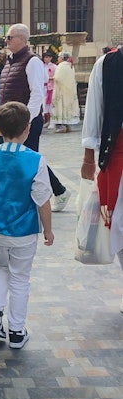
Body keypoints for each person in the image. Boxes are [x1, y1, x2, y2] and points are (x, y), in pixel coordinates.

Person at [0, 101, 54, 349]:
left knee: (2, 267)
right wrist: (48, 230)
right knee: (20, 278)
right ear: (27, 129)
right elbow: (42, 200)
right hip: (23, 232)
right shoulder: (35, 160)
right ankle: (16, 331)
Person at [0, 23, 71, 212]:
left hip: (25, 123)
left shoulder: (32, 61)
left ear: (22, 39)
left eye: (10, 37)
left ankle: (59, 191)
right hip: (9, 122)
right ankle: (17, 197)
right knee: (13, 159)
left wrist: (25, 122)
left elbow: (37, 94)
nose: (6, 40)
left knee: (30, 161)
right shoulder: (10, 61)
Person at [81, 45, 123, 310]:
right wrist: (88, 156)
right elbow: (94, 110)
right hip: (118, 154)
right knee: (119, 224)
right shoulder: (107, 64)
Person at [52, 52, 80, 133]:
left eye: (58, 57)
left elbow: (57, 78)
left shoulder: (61, 66)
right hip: (69, 91)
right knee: (67, 108)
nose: (58, 58)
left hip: (61, 90)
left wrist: (53, 78)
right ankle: (67, 125)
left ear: (62, 57)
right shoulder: (70, 66)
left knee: (60, 107)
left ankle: (61, 126)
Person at [42, 50, 56, 128]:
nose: (45, 59)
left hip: (51, 87)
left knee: (50, 104)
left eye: (47, 57)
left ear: (51, 58)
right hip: (43, 87)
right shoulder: (42, 66)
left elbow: (57, 76)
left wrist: (50, 78)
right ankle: (46, 120)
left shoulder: (54, 67)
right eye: (44, 57)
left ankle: (52, 121)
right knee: (44, 105)